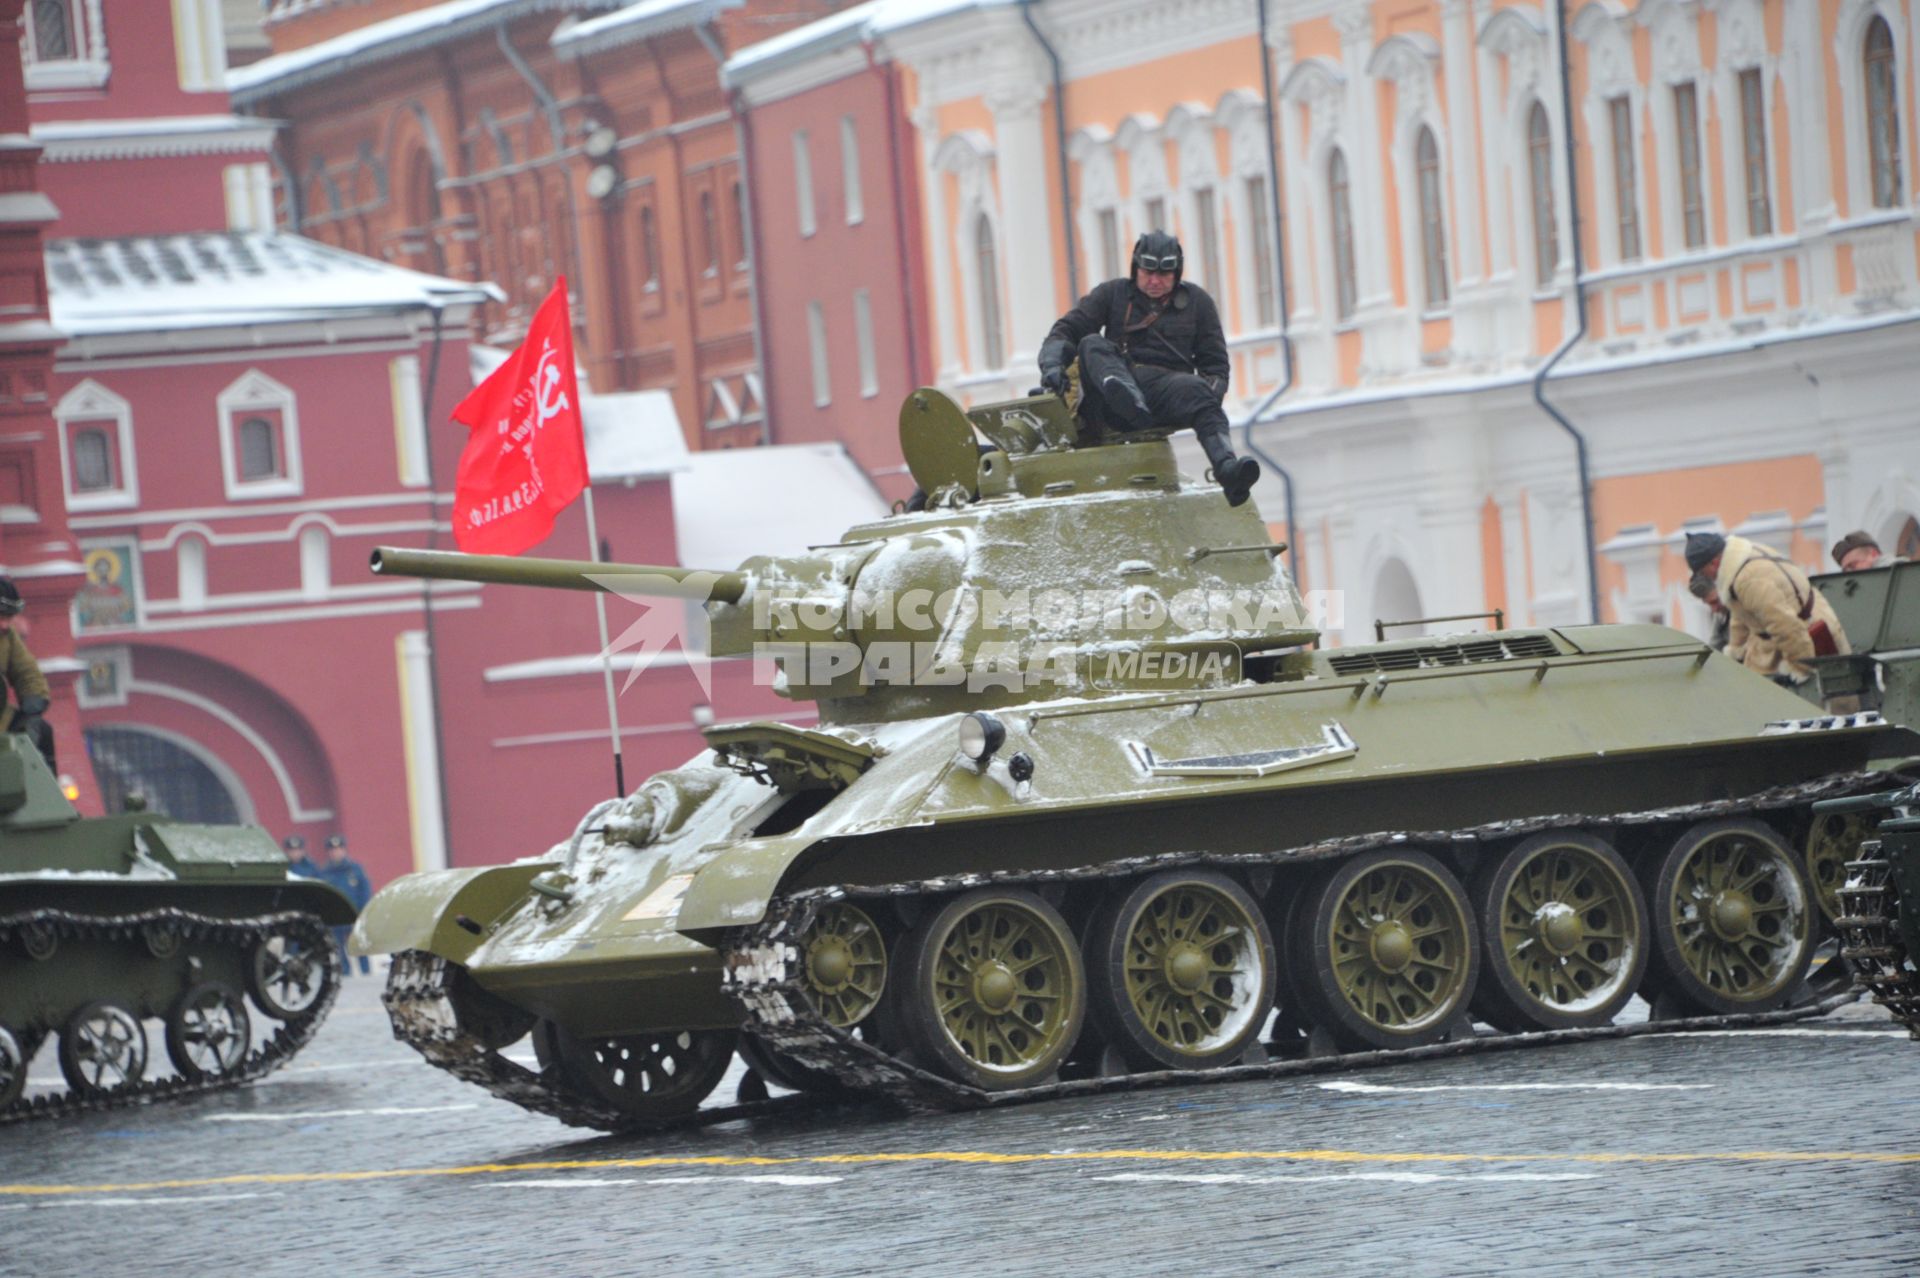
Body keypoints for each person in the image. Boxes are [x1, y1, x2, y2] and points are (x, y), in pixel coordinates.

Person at [1037, 231, 1261, 507]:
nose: (1155, 281)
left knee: (1197, 389)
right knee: (1092, 344)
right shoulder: (1113, 294)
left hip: (1165, 390)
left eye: (1164, 274)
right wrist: (1052, 363)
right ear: (1136, 268)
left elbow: (1215, 365)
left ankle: (1228, 471)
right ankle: (1126, 398)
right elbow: (1067, 330)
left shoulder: (1197, 304)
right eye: (1147, 272)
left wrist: (1205, 397)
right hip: (1111, 391)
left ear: (1176, 273)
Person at [1685, 531, 1854, 708]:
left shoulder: (1748, 579)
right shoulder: (1743, 558)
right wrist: (1735, 649)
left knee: (1829, 702)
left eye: (1704, 572)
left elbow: (1784, 625)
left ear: (1714, 562)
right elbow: (1739, 610)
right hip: (1791, 630)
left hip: (1807, 636)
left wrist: (1801, 667)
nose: (1706, 577)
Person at [0, 576, 54, 770]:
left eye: (8, 617)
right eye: (1, 617)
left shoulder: (7, 637)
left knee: (42, 731)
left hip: (2, 720)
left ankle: (47, 798)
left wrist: (32, 708)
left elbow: (26, 672)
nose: (5, 625)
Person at [318, 834, 372, 975]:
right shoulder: (324, 872)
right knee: (338, 948)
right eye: (333, 850)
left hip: (354, 913)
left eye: (339, 849)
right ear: (329, 852)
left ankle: (366, 971)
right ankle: (346, 973)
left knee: (358, 945)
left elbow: (364, 891)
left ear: (344, 850)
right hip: (335, 916)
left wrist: (363, 911)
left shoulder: (355, 869)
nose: (336, 852)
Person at [1687, 571, 1731, 653]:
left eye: (1715, 601)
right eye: (1709, 604)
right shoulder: (1721, 617)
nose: (1714, 610)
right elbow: (1713, 649)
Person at [1831, 530, 1905, 571]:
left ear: (1874, 554)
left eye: (1853, 565)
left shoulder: (1900, 570)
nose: (1849, 572)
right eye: (1845, 570)